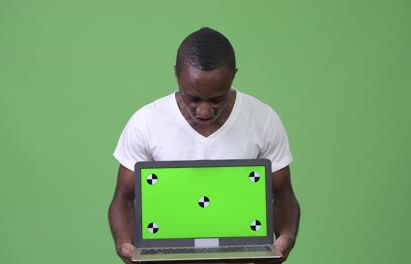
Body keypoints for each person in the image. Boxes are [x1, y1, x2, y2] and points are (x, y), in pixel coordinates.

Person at [108, 27, 300, 264]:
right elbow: (124, 198)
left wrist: (286, 237)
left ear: (233, 76)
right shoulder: (145, 123)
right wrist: (124, 244)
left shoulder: (263, 120)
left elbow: (283, 194)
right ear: (177, 75)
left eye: (217, 98)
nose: (204, 111)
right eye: (193, 98)